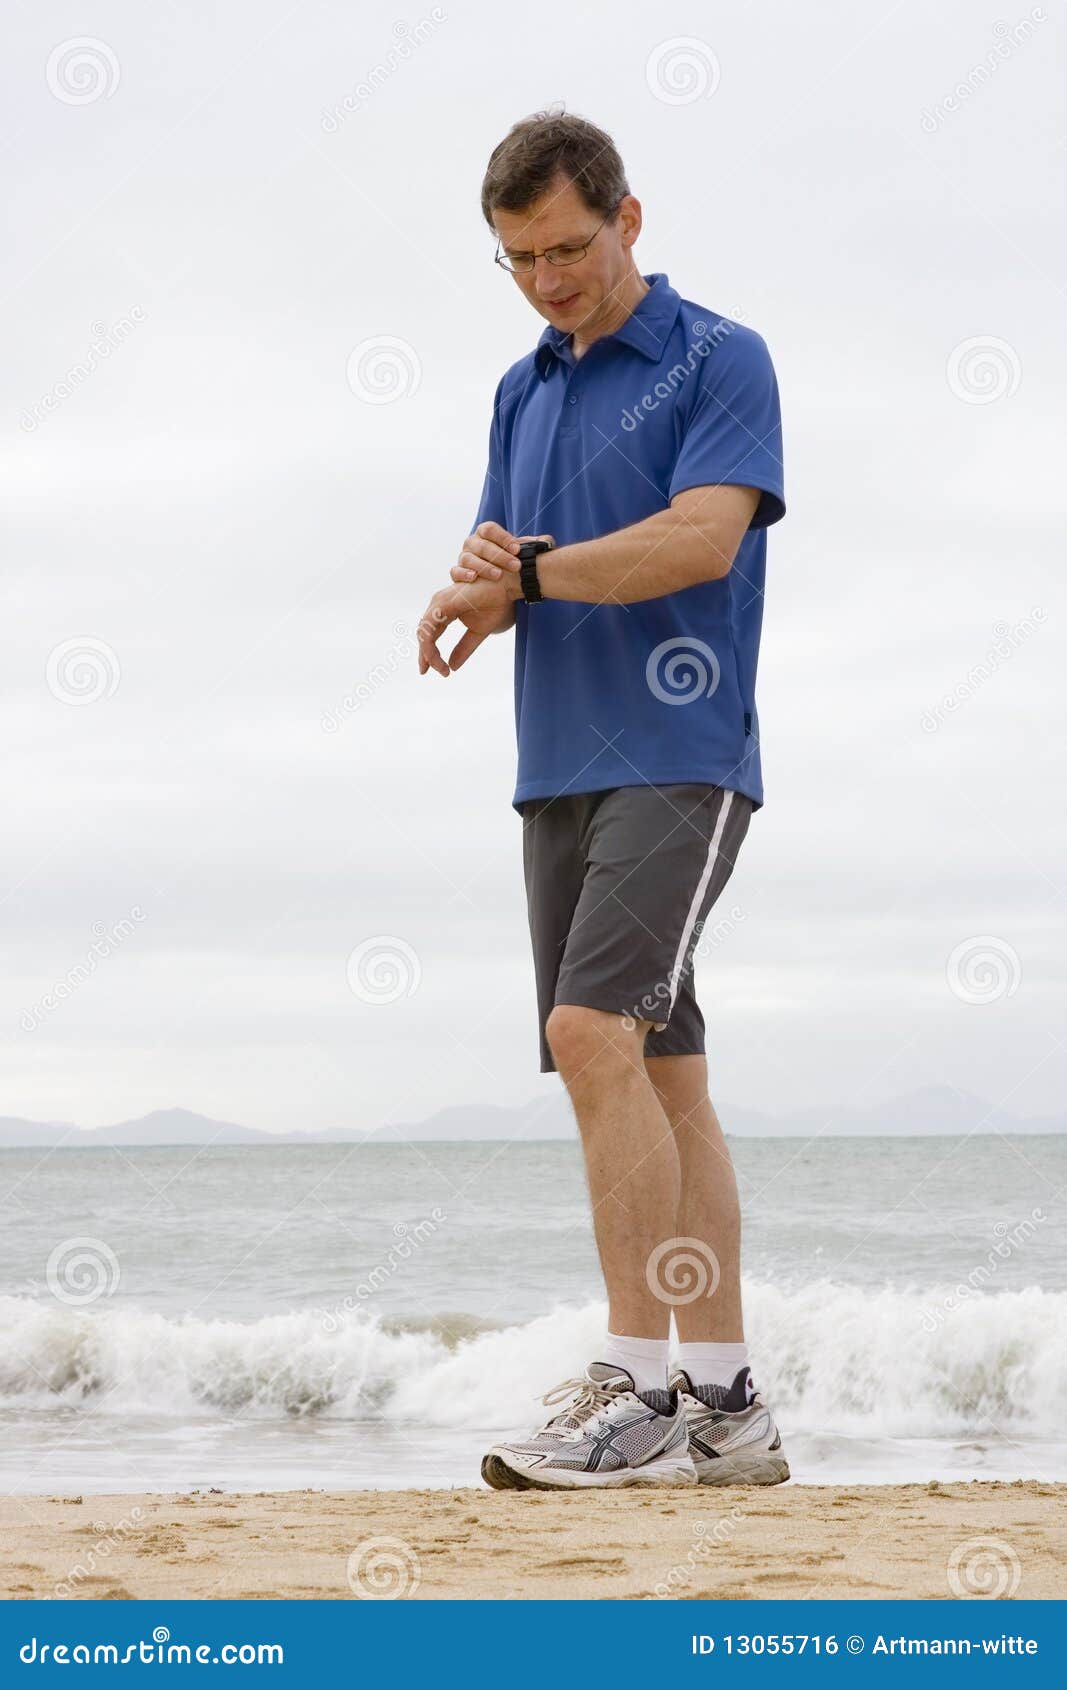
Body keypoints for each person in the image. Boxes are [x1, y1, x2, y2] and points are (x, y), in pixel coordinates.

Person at [417, 109, 789, 1491]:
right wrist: (477, 596)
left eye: (569, 247)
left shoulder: (719, 358)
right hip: (556, 767)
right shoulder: (521, 391)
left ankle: (633, 1384)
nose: (549, 280)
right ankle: (732, 1405)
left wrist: (527, 575)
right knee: (663, 1073)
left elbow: (701, 539)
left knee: (588, 1034)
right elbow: (523, 556)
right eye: (518, 259)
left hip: (680, 755)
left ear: (631, 219)